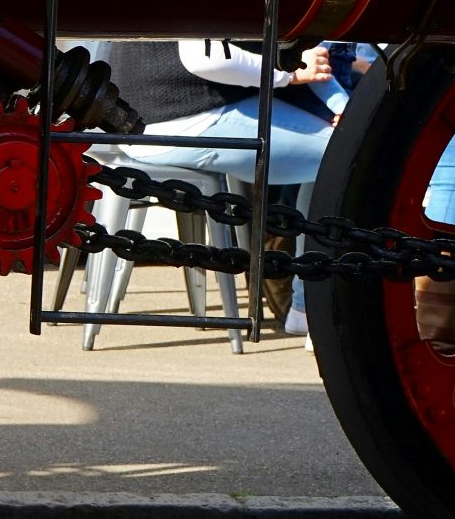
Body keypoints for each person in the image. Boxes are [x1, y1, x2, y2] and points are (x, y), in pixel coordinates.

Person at [97, 39, 336, 334]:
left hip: (137, 117)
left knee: (335, 146)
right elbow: (205, 58)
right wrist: (287, 73)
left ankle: (306, 305)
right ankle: (308, 308)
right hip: (181, 115)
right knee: (342, 151)